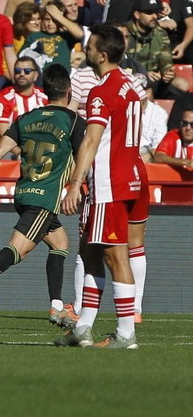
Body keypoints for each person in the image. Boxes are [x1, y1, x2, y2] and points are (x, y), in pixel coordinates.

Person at [0, 63, 76, 325]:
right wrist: (77, 185)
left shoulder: (26, 118)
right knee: (17, 249)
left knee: (60, 243)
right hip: (45, 198)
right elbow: (83, 155)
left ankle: (56, 306)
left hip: (23, 193)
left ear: (43, 91)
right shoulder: (74, 121)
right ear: (69, 91)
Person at [59, 27, 146, 348]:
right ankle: (83, 327)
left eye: (90, 47)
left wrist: (75, 183)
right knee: (90, 249)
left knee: (114, 255)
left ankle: (126, 333)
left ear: (102, 55)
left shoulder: (102, 91)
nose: (86, 51)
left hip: (109, 182)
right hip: (133, 175)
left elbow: (92, 139)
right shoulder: (131, 85)